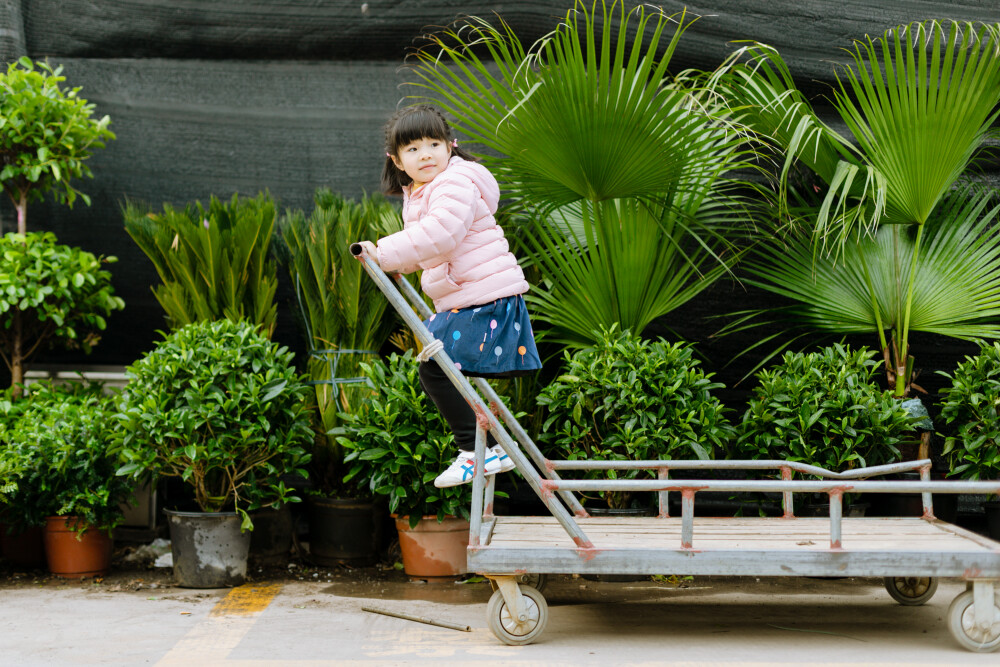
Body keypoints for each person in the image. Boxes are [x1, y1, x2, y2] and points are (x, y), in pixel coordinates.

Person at [354, 104, 542, 488]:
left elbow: (441, 235)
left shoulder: (453, 183)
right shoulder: (421, 193)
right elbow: (428, 251)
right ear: (397, 160)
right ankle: (488, 449)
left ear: (450, 146)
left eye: (433, 144)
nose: (425, 154)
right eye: (413, 149)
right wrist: (392, 261)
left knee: (436, 368)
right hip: (470, 300)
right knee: (436, 368)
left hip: (487, 300)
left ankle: (477, 452)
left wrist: (383, 252)